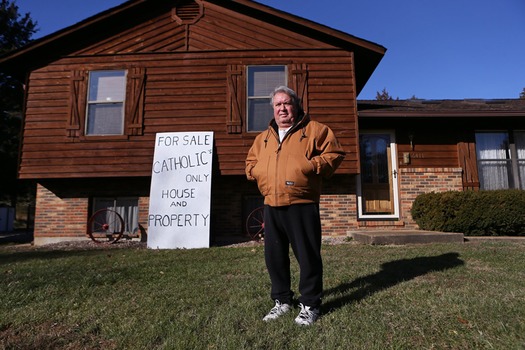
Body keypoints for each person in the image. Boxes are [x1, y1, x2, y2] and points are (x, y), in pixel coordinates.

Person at [245, 86, 346, 326]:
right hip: (271, 203)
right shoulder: (264, 138)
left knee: (307, 256)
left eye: (287, 103)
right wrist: (257, 171)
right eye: (278, 104)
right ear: (273, 109)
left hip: (301, 203)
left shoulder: (315, 131)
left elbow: (334, 154)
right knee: (275, 257)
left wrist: (309, 166)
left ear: (296, 105)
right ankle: (282, 301)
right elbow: (250, 163)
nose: (282, 108)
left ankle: (310, 304)